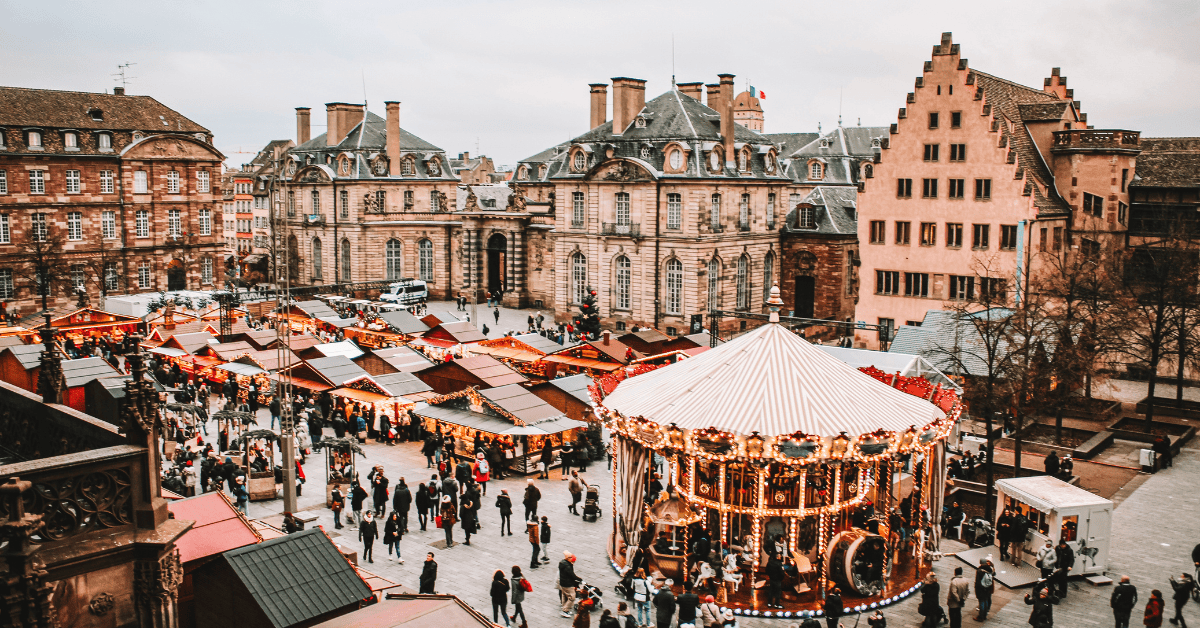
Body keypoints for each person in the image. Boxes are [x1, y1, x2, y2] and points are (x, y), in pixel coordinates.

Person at [559, 551, 581, 618]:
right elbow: (572, 576)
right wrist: (580, 579)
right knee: (572, 597)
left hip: (562, 583)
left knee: (565, 595)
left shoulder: (562, 563)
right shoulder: (568, 566)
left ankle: (565, 608)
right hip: (567, 584)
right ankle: (565, 610)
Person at [975, 556, 996, 621]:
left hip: (981, 589)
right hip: (988, 588)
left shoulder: (980, 570)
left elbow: (978, 581)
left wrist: (977, 588)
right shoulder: (990, 569)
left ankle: (981, 616)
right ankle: (985, 615)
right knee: (986, 601)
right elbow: (993, 574)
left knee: (981, 602)